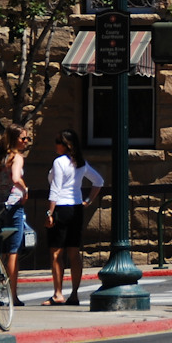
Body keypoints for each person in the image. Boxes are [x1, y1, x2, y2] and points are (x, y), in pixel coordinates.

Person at [45, 128, 104, 306]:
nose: (55, 145)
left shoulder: (59, 162)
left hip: (61, 207)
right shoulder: (80, 163)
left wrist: (49, 212)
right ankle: (75, 294)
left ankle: (58, 293)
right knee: (74, 252)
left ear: (66, 145)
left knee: (56, 252)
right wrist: (88, 201)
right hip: (76, 208)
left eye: (58, 141)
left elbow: (55, 187)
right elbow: (99, 181)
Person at [0, 123, 31, 306]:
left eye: (27, 138)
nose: (26, 141)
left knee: (0, 249)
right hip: (12, 208)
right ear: (14, 140)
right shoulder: (16, 157)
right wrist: (25, 190)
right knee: (13, 250)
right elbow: (14, 177)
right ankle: (12, 295)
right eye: (23, 138)